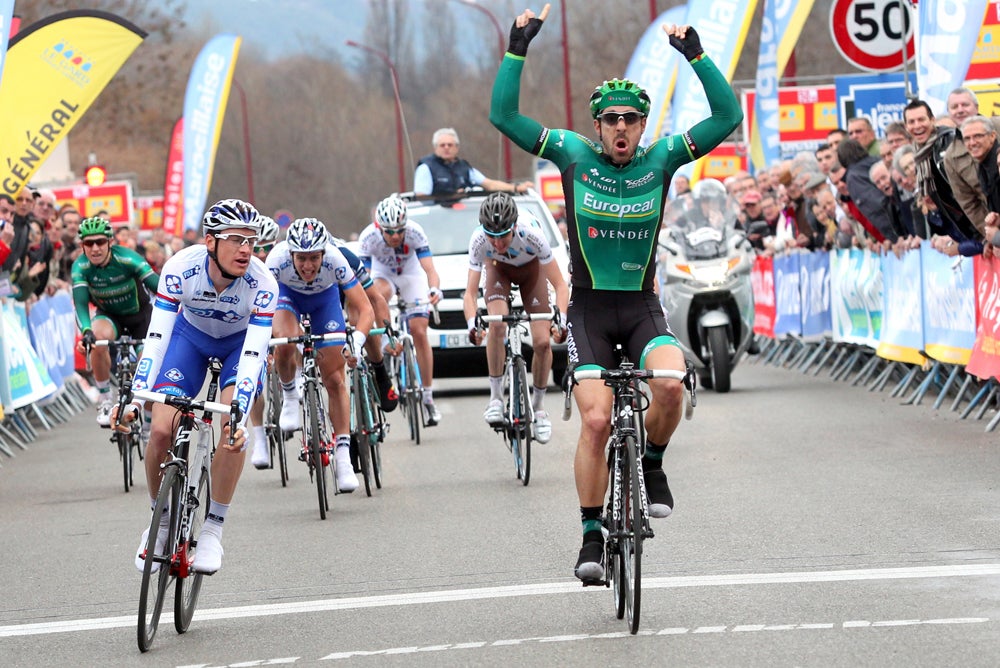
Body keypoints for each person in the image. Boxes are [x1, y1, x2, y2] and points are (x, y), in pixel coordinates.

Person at [490, 6, 742, 581]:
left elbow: (728, 115)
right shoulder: (572, 154)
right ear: (597, 126)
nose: (621, 127)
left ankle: (652, 461)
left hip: (641, 306)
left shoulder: (663, 158)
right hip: (590, 310)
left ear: (643, 124)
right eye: (611, 119)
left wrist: (697, 56)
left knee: (671, 385)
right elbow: (503, 115)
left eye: (631, 118)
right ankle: (589, 535)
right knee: (598, 421)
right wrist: (517, 48)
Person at [113, 198, 278, 575]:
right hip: (190, 339)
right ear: (210, 241)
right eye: (235, 239)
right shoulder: (179, 268)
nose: (246, 249)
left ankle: (213, 529)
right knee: (160, 430)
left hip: (239, 346)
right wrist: (136, 401)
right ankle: (159, 523)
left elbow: (254, 353)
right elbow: (157, 338)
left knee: (232, 431)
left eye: (250, 240)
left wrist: (238, 416)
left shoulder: (263, 283)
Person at [264, 217, 374, 491]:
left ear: (324, 253)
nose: (308, 265)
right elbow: (259, 306)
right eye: (301, 258)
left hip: (325, 301)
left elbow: (365, 309)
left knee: (335, 380)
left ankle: (343, 457)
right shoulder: (276, 259)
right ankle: (291, 394)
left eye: (314, 257)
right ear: (290, 253)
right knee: (285, 340)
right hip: (288, 297)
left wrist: (357, 342)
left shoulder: (336, 259)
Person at [463, 192, 569, 443]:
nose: (498, 243)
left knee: (542, 342)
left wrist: (561, 320)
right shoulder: (478, 240)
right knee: (497, 324)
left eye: (503, 236)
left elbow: (560, 285)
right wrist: (472, 325)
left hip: (532, 272)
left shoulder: (531, 234)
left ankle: (539, 408)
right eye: (492, 237)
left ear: (514, 227)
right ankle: (496, 398)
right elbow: (469, 293)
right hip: (497, 270)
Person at [358, 194, 444, 425]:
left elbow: (430, 269)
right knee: (376, 295)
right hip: (382, 276)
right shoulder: (368, 237)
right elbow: (362, 281)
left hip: (410, 276)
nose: (395, 236)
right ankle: (385, 344)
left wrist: (434, 289)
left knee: (419, 331)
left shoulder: (415, 232)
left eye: (399, 231)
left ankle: (428, 397)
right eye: (389, 232)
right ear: (379, 228)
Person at [71, 216, 160, 425]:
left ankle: (147, 424)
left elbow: (159, 288)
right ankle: (105, 399)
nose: (95, 248)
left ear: (110, 242)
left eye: (100, 242)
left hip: (140, 317)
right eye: (88, 243)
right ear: (82, 245)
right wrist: (86, 331)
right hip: (110, 316)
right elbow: (81, 304)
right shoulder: (80, 267)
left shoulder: (128, 258)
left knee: (148, 365)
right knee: (97, 340)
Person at [413, 127, 532, 198]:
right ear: (435, 148)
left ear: (457, 148)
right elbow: (422, 197)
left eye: (450, 145)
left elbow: (489, 184)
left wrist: (516, 188)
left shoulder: (464, 168)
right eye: (442, 145)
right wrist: (451, 195)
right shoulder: (426, 168)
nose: (446, 148)